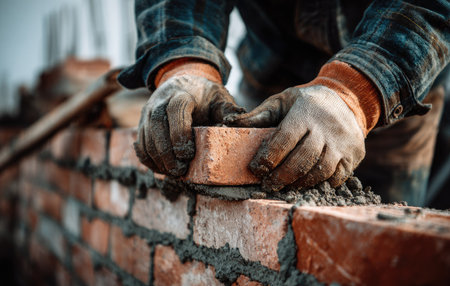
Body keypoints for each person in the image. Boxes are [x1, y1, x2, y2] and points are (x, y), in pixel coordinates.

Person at [117, 0, 450, 206]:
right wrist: (184, 64)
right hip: (271, 72)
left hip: (396, 87)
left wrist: (354, 92)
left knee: (380, 253)